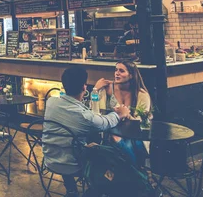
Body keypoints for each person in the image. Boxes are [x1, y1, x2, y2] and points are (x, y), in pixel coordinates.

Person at [43, 67, 129, 196]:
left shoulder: (51, 102)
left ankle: (71, 190)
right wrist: (120, 114)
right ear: (84, 87)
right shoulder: (85, 117)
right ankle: (97, 191)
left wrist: (95, 89)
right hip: (72, 165)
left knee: (81, 144)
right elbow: (105, 123)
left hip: (50, 159)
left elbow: (80, 110)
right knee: (110, 157)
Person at [94, 60, 152, 166]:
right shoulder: (107, 89)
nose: (117, 73)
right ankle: (139, 174)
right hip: (111, 132)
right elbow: (95, 111)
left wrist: (126, 114)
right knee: (116, 140)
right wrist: (95, 89)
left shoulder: (141, 94)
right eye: (116, 70)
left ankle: (136, 173)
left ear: (131, 75)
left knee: (128, 143)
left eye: (121, 71)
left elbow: (141, 121)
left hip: (134, 134)